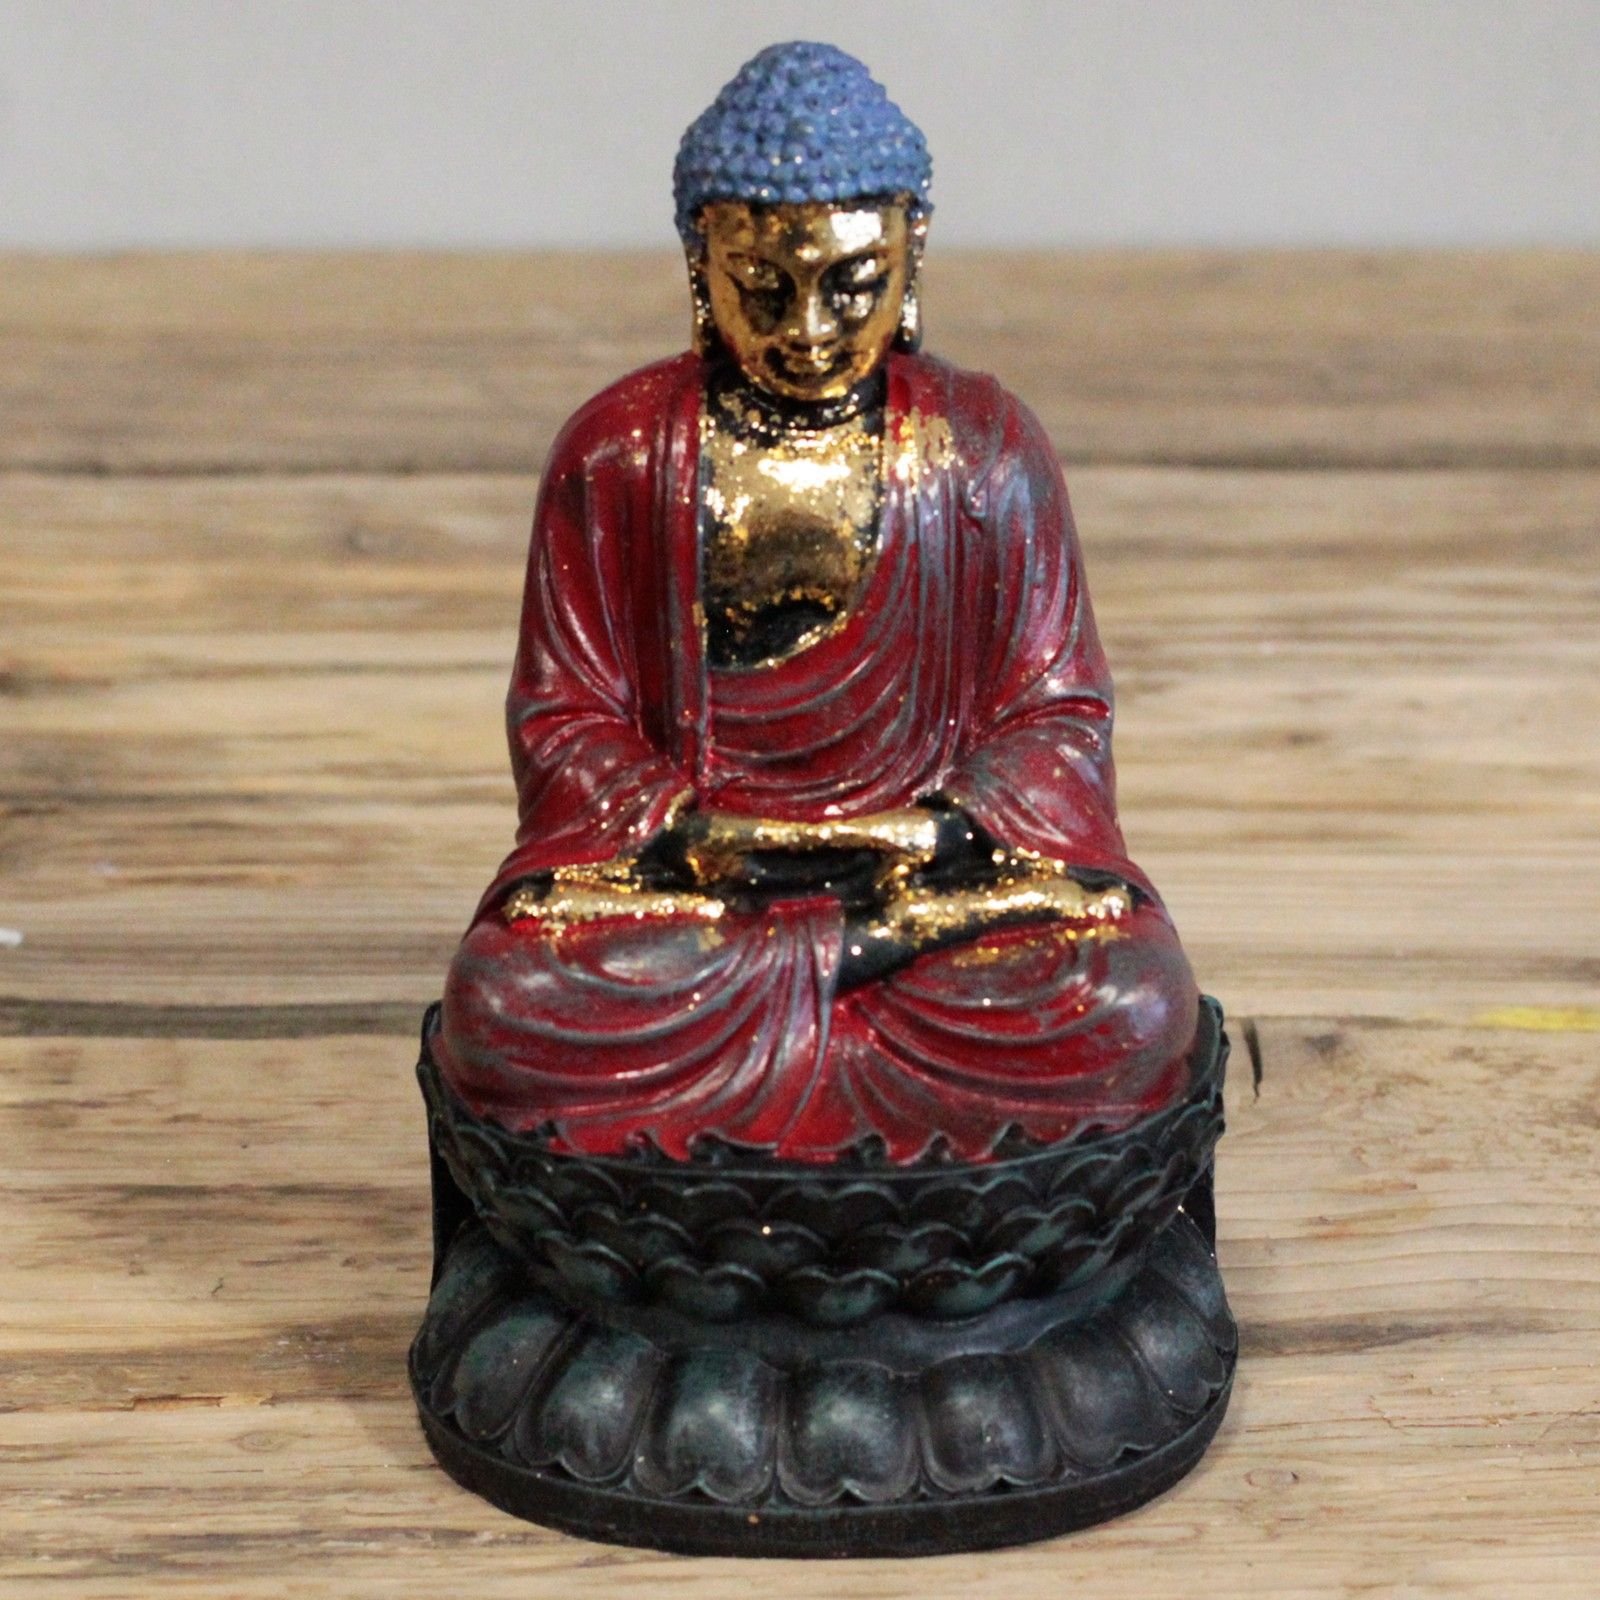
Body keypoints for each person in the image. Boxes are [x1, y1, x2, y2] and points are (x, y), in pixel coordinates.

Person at [434, 42, 1200, 1165]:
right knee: (507, 1004)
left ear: (911, 253)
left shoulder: (983, 450)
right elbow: (565, 718)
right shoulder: (620, 453)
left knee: (1127, 999)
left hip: (929, 875)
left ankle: (815, 1017)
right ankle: (847, 995)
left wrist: (936, 830)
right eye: (762, 287)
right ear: (700, 266)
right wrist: (696, 833)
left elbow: (1059, 715)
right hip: (703, 884)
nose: (806, 331)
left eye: (852, 285)